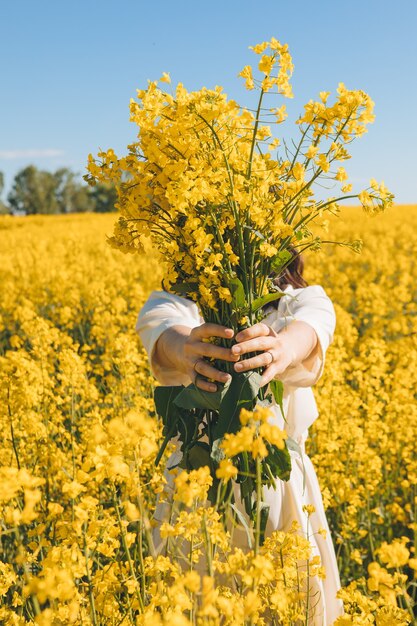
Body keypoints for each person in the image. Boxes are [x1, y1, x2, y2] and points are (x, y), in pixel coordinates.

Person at [136, 265, 344, 625]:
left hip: (277, 487)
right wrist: (187, 347)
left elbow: (312, 326)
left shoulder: (299, 302)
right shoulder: (180, 307)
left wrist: (281, 349)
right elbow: (162, 329)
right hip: (197, 489)